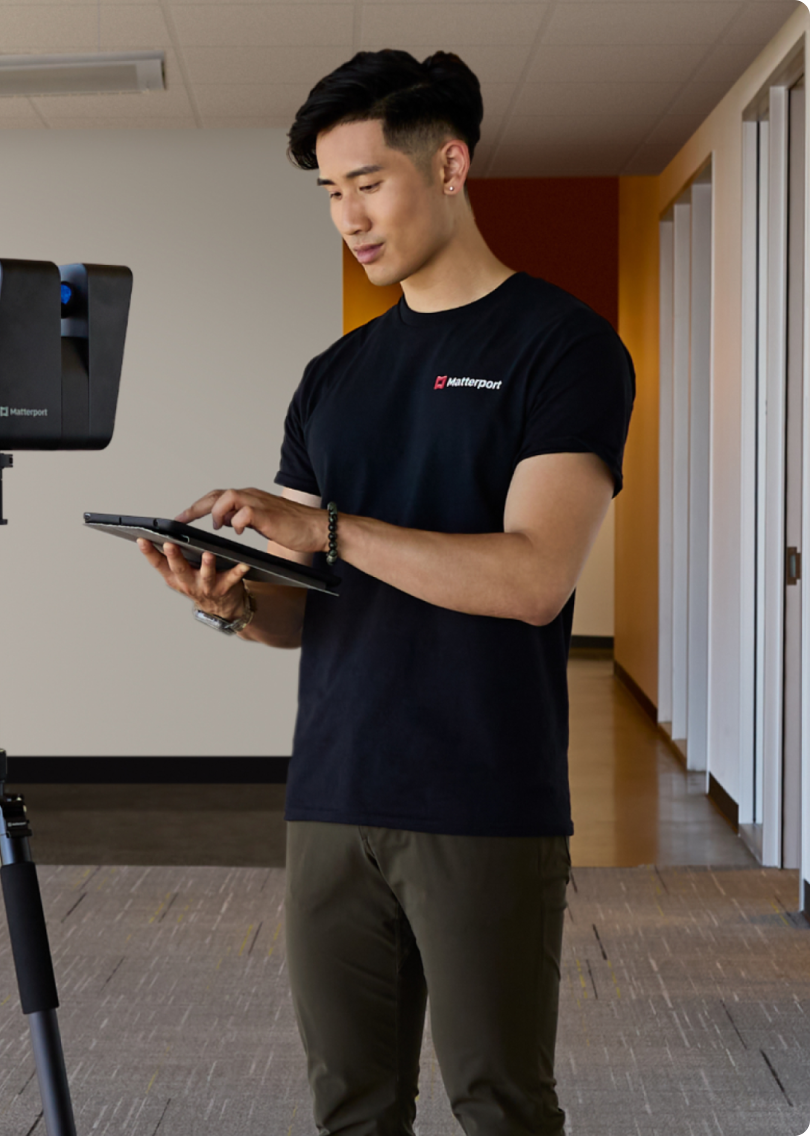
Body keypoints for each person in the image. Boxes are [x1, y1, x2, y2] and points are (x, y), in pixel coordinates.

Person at [136, 48, 635, 1136]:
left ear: (448, 164)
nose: (348, 216)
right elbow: (307, 606)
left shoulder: (563, 347)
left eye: (367, 181)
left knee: (499, 1104)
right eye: (328, 191)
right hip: (331, 792)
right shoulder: (334, 376)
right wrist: (224, 596)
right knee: (350, 1107)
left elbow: (532, 579)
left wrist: (324, 526)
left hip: (481, 798)